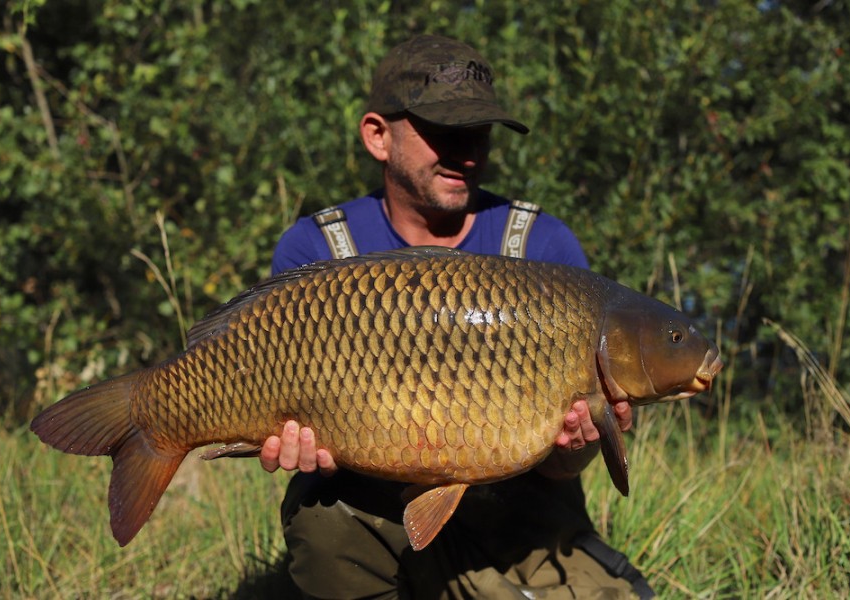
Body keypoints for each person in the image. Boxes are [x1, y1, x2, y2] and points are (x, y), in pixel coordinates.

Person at [260, 34, 655, 599]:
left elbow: (564, 469)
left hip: (519, 512)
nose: (466, 151)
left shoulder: (541, 244)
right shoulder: (316, 250)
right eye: (443, 132)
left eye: (478, 132)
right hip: (365, 509)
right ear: (378, 135)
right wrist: (286, 440)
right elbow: (284, 421)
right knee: (324, 523)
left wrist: (577, 446)